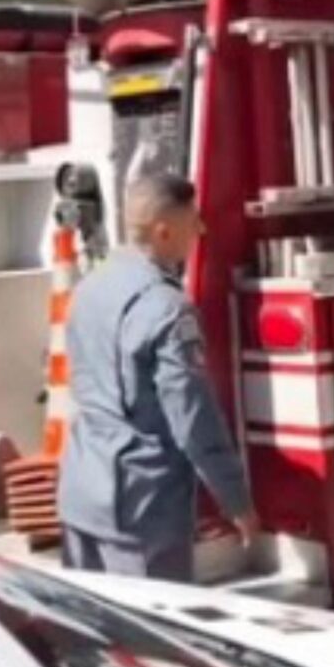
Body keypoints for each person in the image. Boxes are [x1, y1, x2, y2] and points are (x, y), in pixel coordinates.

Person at [58, 171, 258, 580]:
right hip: (140, 508)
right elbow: (193, 420)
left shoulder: (89, 288)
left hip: (80, 492)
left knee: (90, 634)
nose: (201, 229)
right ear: (164, 231)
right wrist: (237, 502)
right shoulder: (168, 309)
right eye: (193, 220)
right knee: (148, 637)